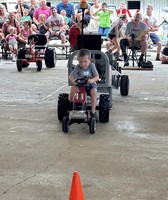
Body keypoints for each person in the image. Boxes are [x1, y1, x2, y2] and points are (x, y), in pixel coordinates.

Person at [69, 49, 99, 118]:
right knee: (73, 88)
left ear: (89, 60)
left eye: (85, 61)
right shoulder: (78, 67)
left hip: (90, 84)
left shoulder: (92, 66)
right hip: (80, 84)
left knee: (94, 92)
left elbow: (97, 76)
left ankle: (93, 111)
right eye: (80, 62)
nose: (83, 64)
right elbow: (71, 76)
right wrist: (73, 81)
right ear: (78, 61)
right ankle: (71, 102)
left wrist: (92, 80)